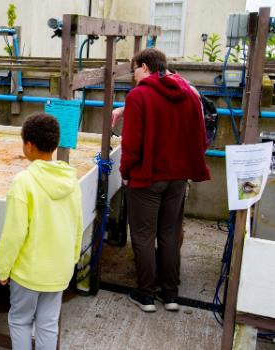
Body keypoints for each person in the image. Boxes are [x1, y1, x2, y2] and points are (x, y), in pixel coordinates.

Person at [120, 48, 210, 313]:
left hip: (147, 178)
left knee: (143, 235)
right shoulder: (189, 93)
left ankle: (146, 295)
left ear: (145, 67)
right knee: (170, 234)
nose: (133, 75)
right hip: (178, 178)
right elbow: (200, 134)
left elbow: (132, 145)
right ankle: (170, 294)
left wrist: (126, 172)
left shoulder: (138, 96)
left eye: (134, 69)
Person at [0, 113, 83, 350]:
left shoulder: (23, 182)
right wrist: (72, 259)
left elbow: (14, 233)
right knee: (48, 324)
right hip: (59, 271)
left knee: (20, 320)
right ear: (55, 144)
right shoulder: (71, 179)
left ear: (29, 145)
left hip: (28, 273)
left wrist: (3, 268)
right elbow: (77, 223)